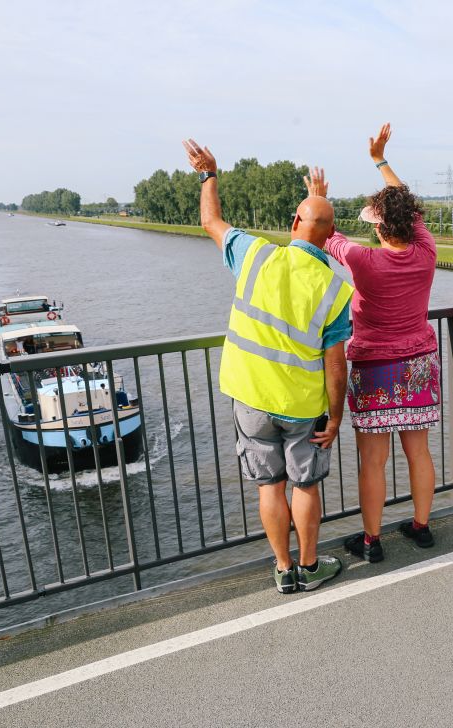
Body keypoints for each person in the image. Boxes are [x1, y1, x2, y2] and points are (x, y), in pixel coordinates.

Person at [182, 140, 350, 594]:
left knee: (269, 487)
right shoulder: (335, 287)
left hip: (250, 398)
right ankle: (311, 566)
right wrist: (335, 417)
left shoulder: (255, 255)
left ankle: (282, 569)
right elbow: (337, 365)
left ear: (294, 222)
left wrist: (209, 175)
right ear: (331, 235)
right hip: (302, 405)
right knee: (305, 485)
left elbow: (210, 221)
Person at [324, 124, 439, 562]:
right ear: (410, 221)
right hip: (420, 364)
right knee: (418, 451)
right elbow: (407, 204)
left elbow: (324, 231)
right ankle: (421, 527)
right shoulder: (426, 250)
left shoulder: (363, 260)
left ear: (378, 226)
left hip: (374, 368)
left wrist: (319, 194)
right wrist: (381, 160)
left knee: (373, 461)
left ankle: (372, 542)